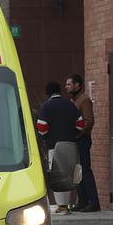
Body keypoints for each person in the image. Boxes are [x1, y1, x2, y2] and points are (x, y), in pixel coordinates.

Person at [36, 82, 82, 213]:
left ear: (48, 93)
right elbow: (80, 124)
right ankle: (66, 204)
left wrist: (45, 137)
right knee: (68, 174)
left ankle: (61, 206)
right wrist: (73, 133)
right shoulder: (70, 105)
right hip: (71, 144)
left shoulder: (47, 106)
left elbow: (42, 127)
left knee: (57, 174)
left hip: (54, 146)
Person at [65, 73, 101, 212]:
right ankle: (82, 200)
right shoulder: (74, 100)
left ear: (77, 85)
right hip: (75, 140)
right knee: (77, 171)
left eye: (69, 84)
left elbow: (89, 120)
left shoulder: (84, 100)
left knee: (85, 170)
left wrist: (78, 134)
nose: (66, 87)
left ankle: (93, 201)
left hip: (82, 140)